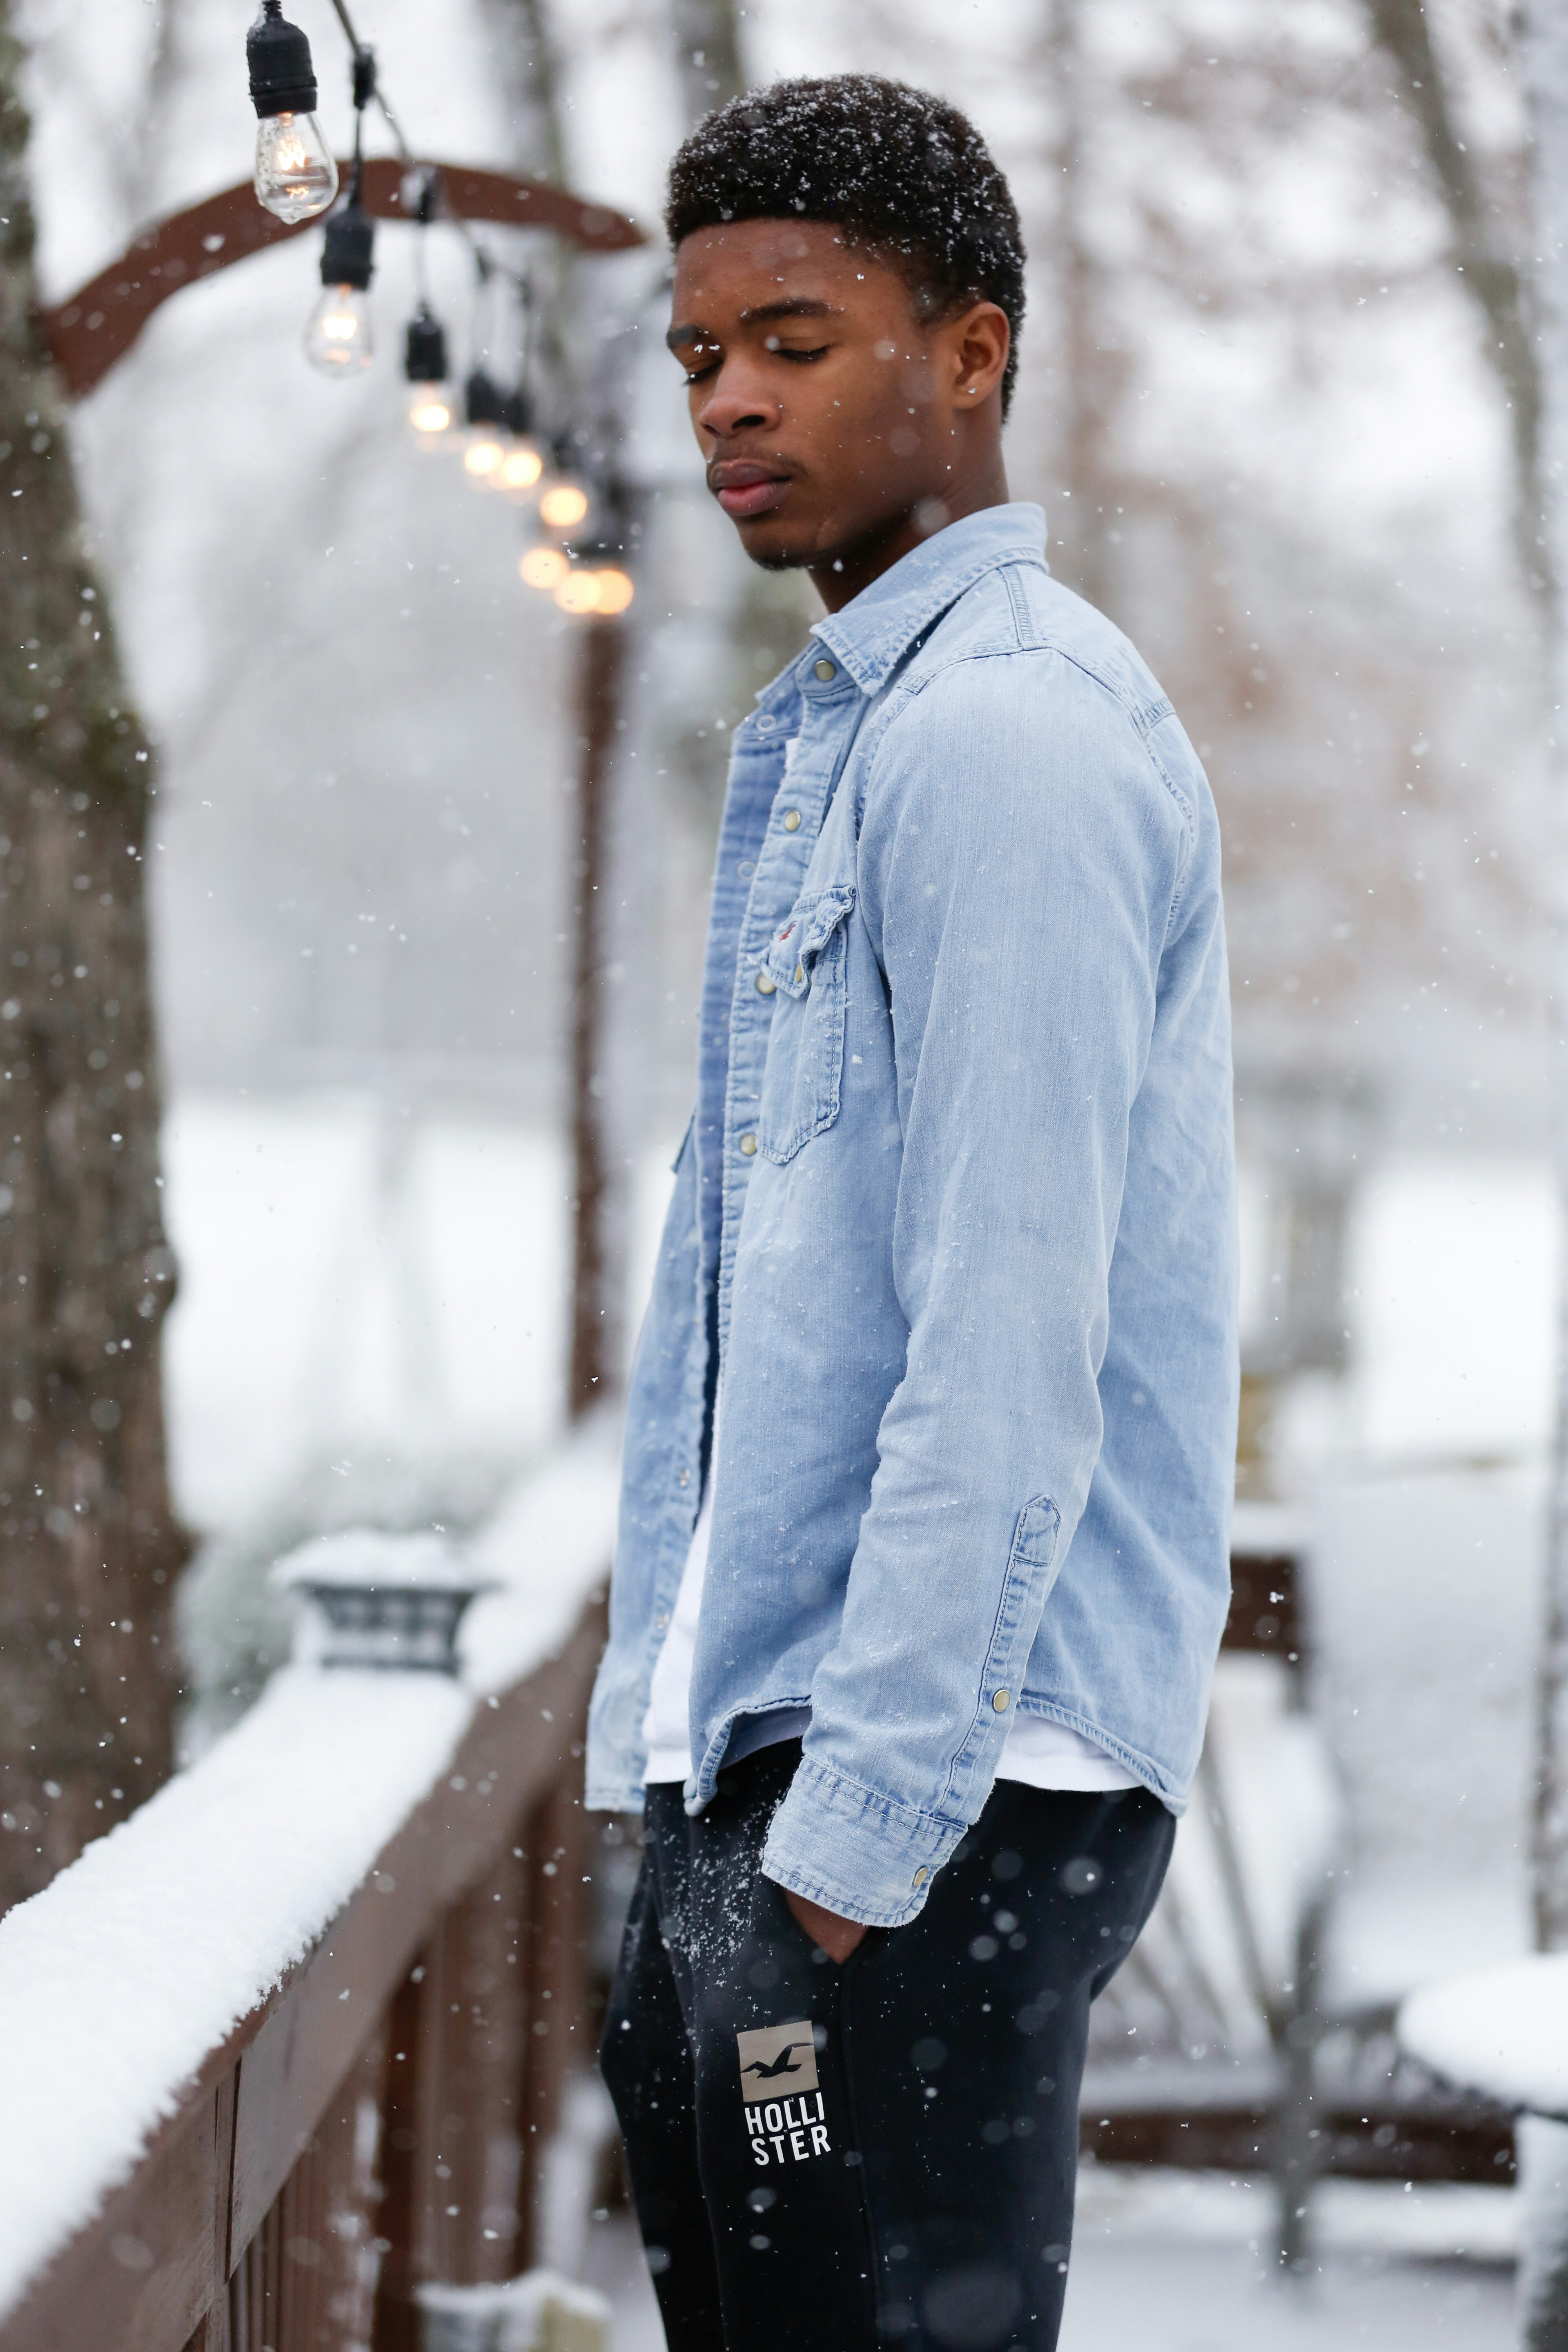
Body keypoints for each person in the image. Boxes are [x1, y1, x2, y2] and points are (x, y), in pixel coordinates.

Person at [588, 73, 1237, 2352]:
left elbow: (1007, 1329)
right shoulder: (863, 725)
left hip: (924, 1818)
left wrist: (832, 1874)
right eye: (697, 359)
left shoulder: (1007, 744)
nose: (729, 401)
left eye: (793, 337)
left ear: (970, 355)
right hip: (815, 1787)